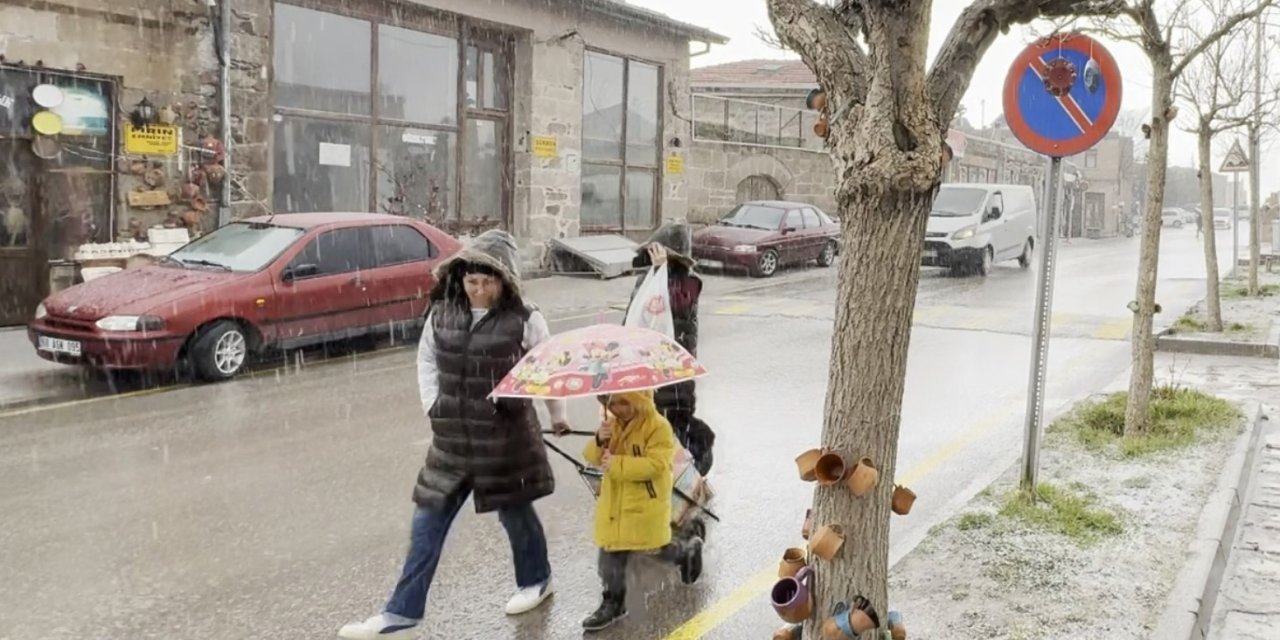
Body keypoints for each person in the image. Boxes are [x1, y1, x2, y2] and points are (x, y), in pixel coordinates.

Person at [339, 230, 570, 640]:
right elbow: (426, 359)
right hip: (451, 441)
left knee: (515, 515)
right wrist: (433, 404)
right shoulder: (442, 313)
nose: (478, 290)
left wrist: (558, 414)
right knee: (427, 522)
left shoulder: (526, 318)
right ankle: (401, 612)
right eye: (471, 281)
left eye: (487, 282)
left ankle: (537, 580)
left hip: (505, 441)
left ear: (505, 281)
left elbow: (546, 370)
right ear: (460, 279)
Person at [580, 391, 704, 632]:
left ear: (639, 400)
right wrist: (598, 440)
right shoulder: (611, 425)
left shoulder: (658, 427)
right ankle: (613, 602)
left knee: (654, 549)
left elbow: (656, 465)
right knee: (610, 552)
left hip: (645, 504)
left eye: (623, 403)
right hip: (615, 504)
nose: (616, 408)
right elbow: (594, 458)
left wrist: (618, 464)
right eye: (612, 403)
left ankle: (686, 552)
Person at [627, 224, 715, 476]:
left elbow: (674, 306)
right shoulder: (648, 280)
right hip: (647, 371)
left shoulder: (688, 282)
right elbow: (637, 317)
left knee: (671, 427)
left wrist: (661, 271)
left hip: (674, 376)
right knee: (648, 429)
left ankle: (687, 474)